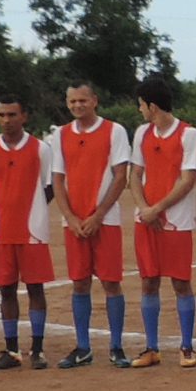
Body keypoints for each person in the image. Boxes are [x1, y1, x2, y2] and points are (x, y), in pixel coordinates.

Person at [54, 81, 137, 367]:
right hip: (74, 223)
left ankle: (116, 346)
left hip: (106, 220)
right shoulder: (60, 134)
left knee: (111, 281)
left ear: (95, 101)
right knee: (79, 282)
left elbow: (120, 176)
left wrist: (99, 214)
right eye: (72, 101)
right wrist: (70, 217)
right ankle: (83, 347)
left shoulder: (114, 131)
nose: (78, 105)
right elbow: (57, 180)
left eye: (83, 100)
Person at [129, 75, 196, 368]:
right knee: (148, 281)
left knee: (181, 282)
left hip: (176, 220)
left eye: (141, 105)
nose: (140, 110)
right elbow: (135, 175)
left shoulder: (189, 135)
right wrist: (144, 209)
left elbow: (188, 180)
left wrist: (158, 208)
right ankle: (151, 347)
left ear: (152, 106)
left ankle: (186, 346)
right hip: (147, 219)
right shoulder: (142, 133)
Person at [0, 93, 58, 368]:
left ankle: (37, 349)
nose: (6, 120)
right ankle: (12, 349)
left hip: (32, 231)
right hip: (0, 231)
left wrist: (33, 208)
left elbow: (50, 186)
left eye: (12, 115)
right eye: (1, 115)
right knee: (6, 290)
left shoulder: (40, 149)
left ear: (24, 117)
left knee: (35, 288)